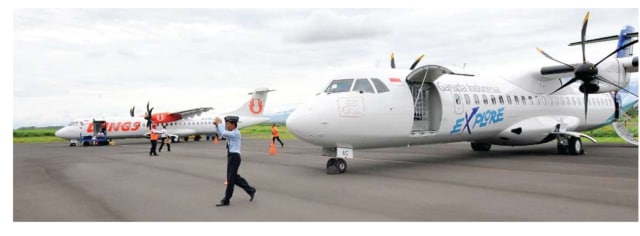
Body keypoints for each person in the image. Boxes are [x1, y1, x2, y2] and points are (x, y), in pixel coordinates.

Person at [214, 115, 256, 207]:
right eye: (226, 124)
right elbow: (221, 133)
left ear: (233, 124)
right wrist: (217, 126)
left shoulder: (236, 133)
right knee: (234, 178)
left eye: (228, 124)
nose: (227, 126)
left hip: (234, 157)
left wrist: (219, 124)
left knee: (230, 179)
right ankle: (251, 190)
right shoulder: (231, 132)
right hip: (231, 157)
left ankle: (226, 200)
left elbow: (223, 133)